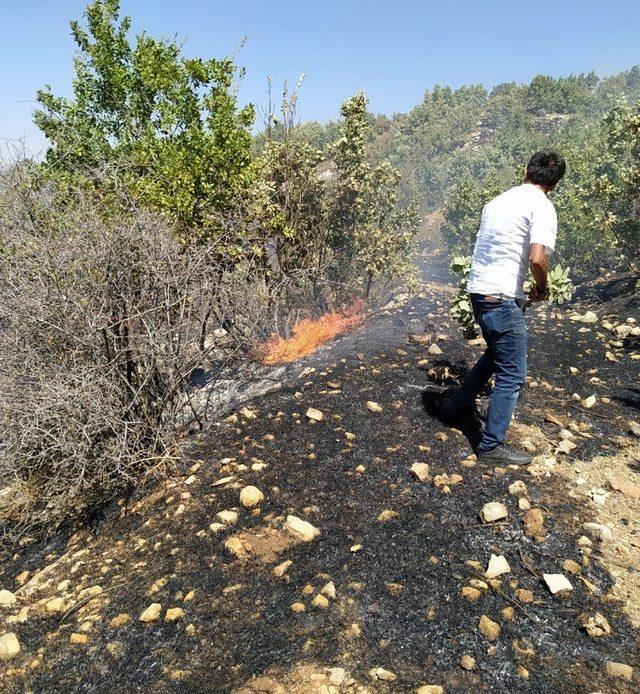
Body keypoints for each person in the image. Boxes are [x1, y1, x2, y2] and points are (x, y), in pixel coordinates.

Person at [425, 150, 566, 465]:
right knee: (512, 372)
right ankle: (490, 446)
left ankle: (457, 406)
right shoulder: (542, 205)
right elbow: (537, 258)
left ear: (526, 172)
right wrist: (541, 287)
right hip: (501, 298)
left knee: (495, 354)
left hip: (479, 293)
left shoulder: (497, 202)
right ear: (554, 184)